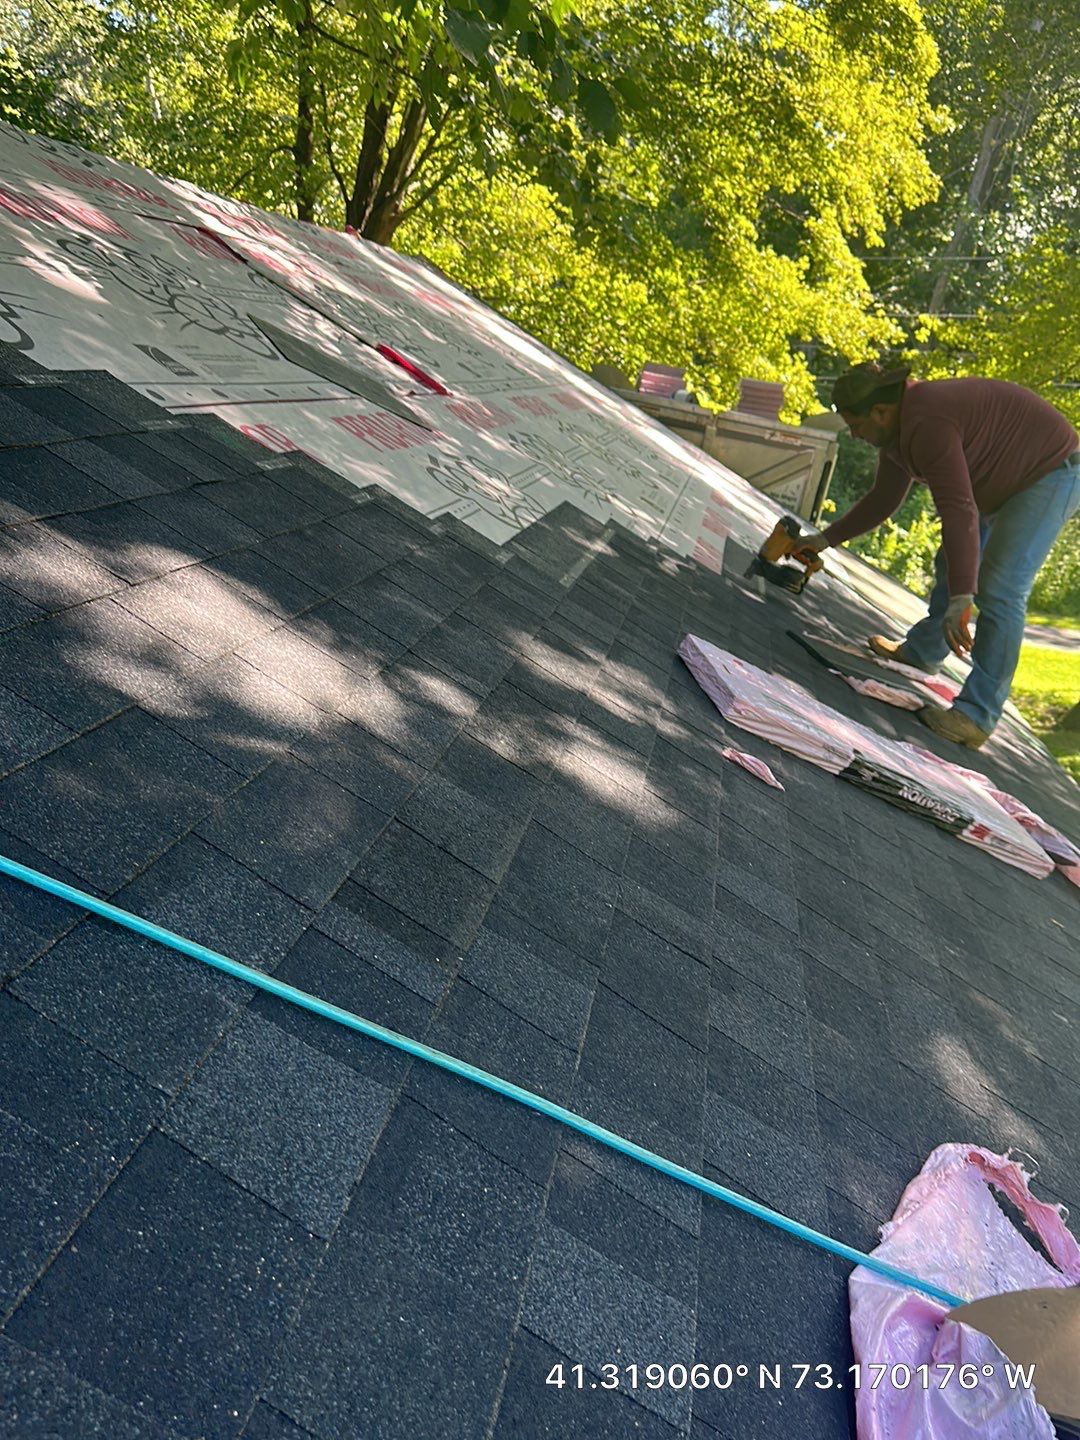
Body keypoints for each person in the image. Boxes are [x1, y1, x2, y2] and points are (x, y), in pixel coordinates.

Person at [796, 363, 1080, 748]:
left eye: (855, 424)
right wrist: (825, 539)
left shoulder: (927, 422)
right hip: (1006, 477)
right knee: (953, 561)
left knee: (999, 589)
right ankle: (923, 652)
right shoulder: (897, 432)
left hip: (1050, 471)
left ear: (880, 412)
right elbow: (884, 499)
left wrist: (964, 597)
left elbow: (959, 509)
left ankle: (976, 716)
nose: (855, 434)